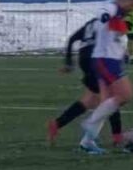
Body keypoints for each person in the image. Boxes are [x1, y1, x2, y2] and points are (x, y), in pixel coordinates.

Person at [78, 0, 133, 154]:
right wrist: (106, 16)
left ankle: (86, 142)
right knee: (125, 95)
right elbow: (102, 12)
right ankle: (90, 123)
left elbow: (113, 36)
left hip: (108, 59)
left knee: (107, 102)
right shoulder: (112, 7)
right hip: (105, 60)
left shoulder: (120, 13)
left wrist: (122, 51)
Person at [47, 17, 126, 149]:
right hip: (97, 58)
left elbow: (72, 38)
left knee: (90, 99)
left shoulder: (91, 23)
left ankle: (57, 124)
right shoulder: (109, 20)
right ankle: (116, 137)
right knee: (112, 97)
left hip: (84, 59)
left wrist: (69, 63)